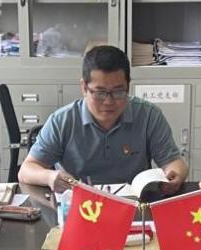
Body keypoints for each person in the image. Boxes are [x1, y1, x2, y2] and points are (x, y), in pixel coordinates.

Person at [18, 45, 188, 192]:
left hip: (133, 205)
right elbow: (26, 170)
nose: (109, 102)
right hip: (80, 205)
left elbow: (174, 162)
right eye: (99, 93)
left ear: (128, 86)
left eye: (118, 92)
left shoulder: (149, 115)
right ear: (84, 87)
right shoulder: (62, 120)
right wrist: (50, 176)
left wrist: (175, 175)